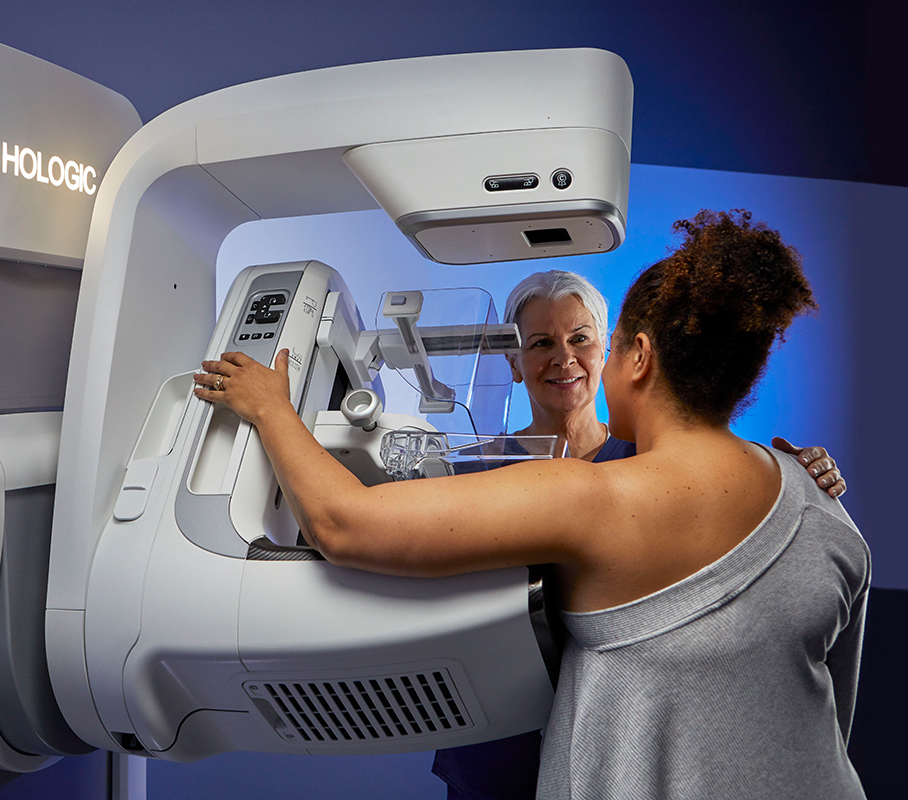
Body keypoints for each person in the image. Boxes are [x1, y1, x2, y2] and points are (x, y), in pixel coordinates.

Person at [194, 210, 869, 798]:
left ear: (633, 355)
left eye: (590, 343)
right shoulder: (823, 508)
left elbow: (341, 524)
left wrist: (273, 410)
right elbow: (827, 706)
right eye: (540, 342)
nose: (566, 359)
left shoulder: (589, 495)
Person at [431, 269, 846, 799]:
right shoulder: (465, 469)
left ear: (607, 348)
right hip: (492, 746)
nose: (564, 358)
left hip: (616, 746)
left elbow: (735, 505)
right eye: (541, 343)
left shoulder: (655, 466)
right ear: (512, 362)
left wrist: (794, 476)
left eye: (580, 338)